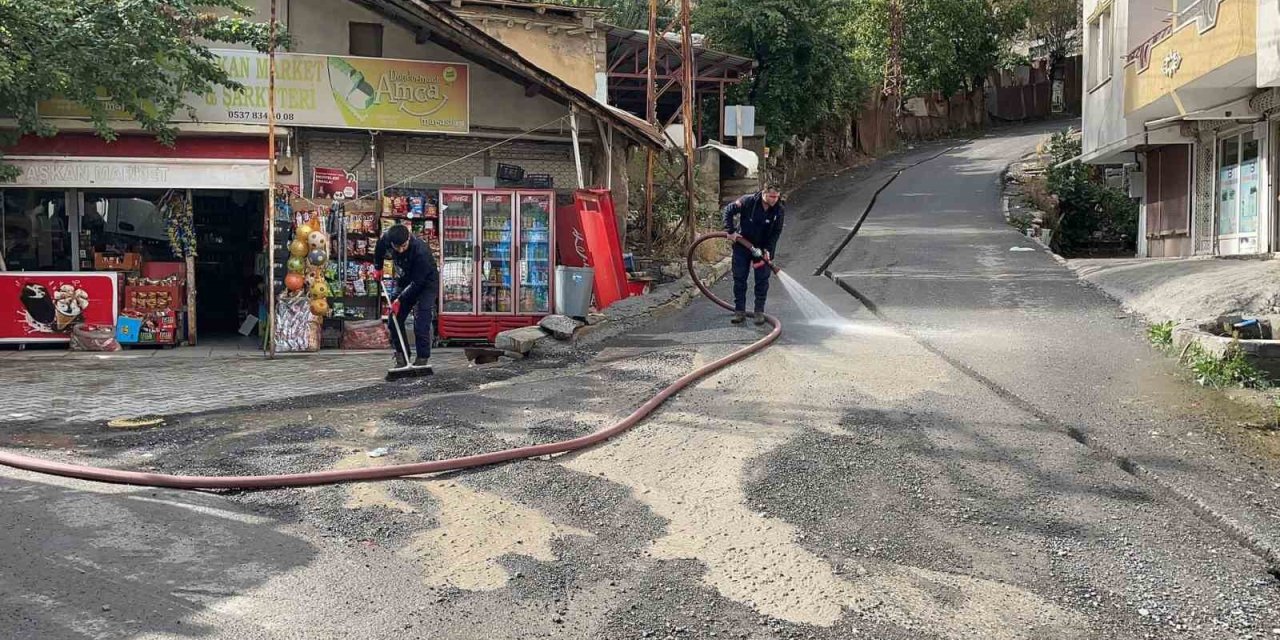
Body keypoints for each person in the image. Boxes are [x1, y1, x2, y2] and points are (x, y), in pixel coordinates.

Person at [374, 224, 439, 368]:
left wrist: (399, 299)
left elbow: (418, 283)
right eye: (397, 247)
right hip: (406, 280)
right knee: (394, 319)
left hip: (426, 283)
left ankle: (422, 358)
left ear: (409, 238)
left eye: (403, 246)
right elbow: (379, 249)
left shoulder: (421, 252)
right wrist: (378, 267)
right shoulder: (387, 239)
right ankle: (402, 355)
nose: (401, 250)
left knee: (421, 321)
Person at [723, 183, 785, 325]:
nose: (774, 199)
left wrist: (768, 249)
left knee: (762, 280)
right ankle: (739, 311)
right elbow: (728, 210)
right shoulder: (747, 201)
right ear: (764, 193)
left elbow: (776, 231)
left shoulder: (779, 210)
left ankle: (759, 312)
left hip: (762, 250)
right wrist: (730, 231)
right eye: (771, 196)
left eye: (776, 197)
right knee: (739, 278)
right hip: (743, 245)